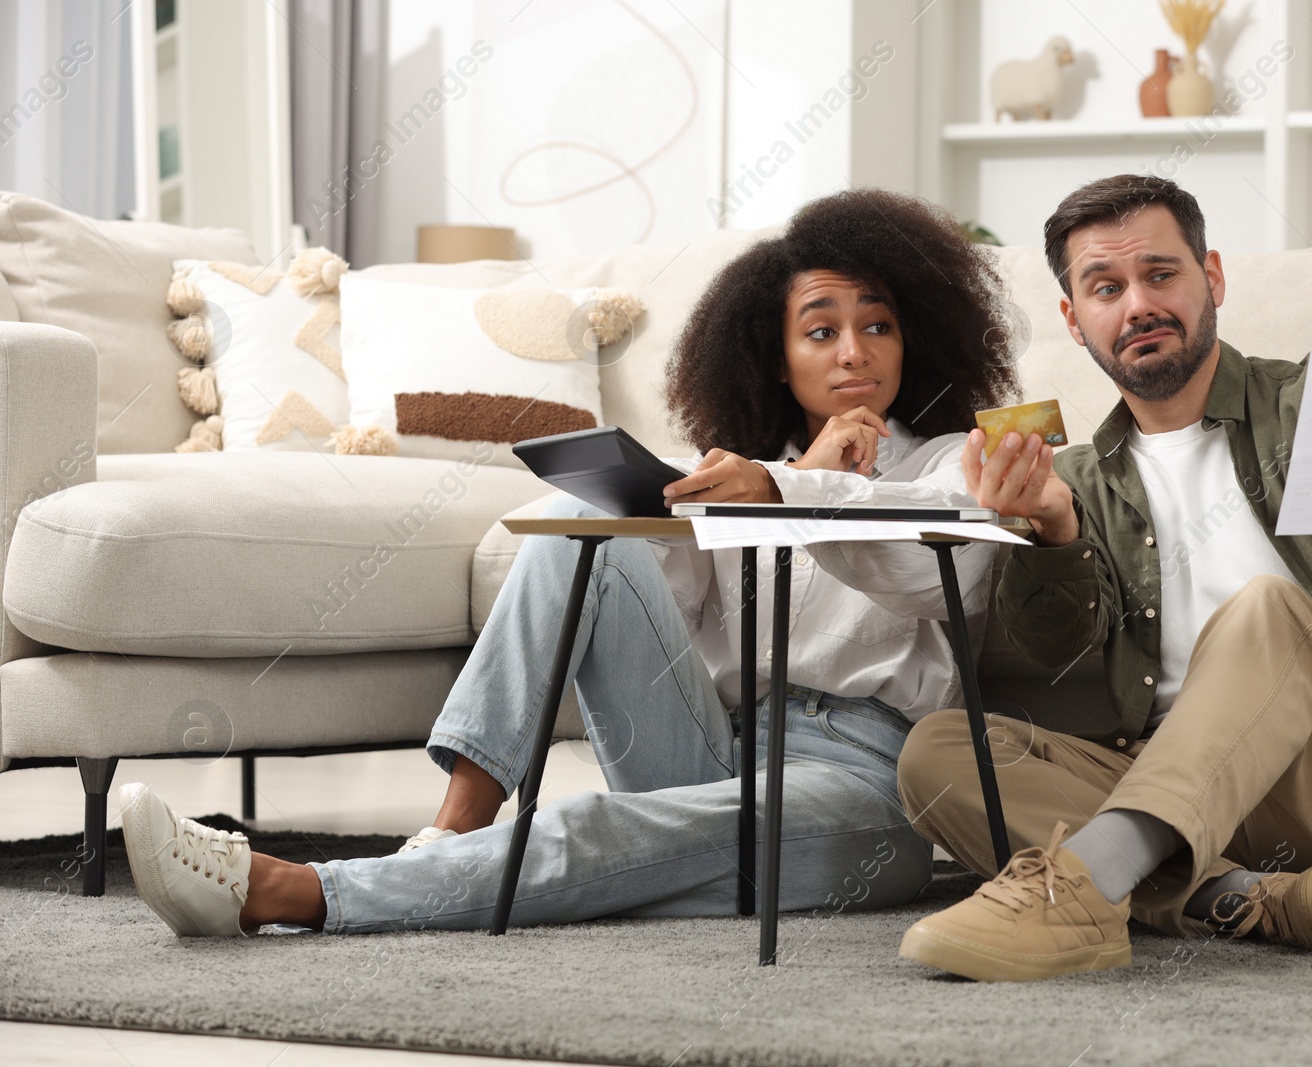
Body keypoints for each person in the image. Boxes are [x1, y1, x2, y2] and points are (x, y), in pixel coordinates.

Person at [116, 188, 1022, 938]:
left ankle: (287, 891)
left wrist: (793, 493)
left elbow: (933, 570)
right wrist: (729, 491)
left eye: (878, 326)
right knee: (576, 516)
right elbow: (635, 597)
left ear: (915, 341)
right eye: (820, 331)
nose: (854, 350)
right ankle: (455, 826)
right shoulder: (743, 471)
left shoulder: (951, 460)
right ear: (778, 358)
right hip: (709, 745)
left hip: (864, 784)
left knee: (599, 828)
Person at [894, 174, 1312, 982]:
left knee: (1268, 608)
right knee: (936, 752)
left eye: (1161, 274)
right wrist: (1051, 533)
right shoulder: (1077, 478)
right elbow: (1054, 643)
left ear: (1212, 278)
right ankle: (1247, 898)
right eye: (1106, 286)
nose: (1137, 303)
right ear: (1074, 318)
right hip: (1185, 788)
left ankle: (1086, 885)